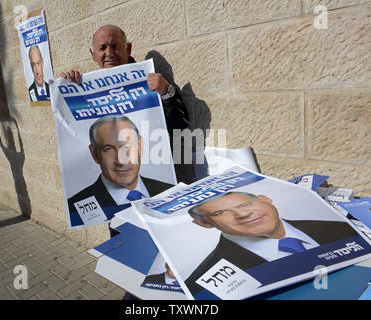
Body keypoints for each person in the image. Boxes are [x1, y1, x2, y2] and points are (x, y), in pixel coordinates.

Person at [60, 25, 194, 184]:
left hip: (160, 186)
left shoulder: (149, 81)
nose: (109, 53)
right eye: (102, 48)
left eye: (114, 46)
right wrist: (65, 87)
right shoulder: (81, 88)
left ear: (128, 48)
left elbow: (180, 125)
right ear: (93, 54)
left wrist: (166, 91)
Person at [185, 191, 358, 295]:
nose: (243, 214)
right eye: (221, 212)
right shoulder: (200, 285)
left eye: (245, 204)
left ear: (265, 199)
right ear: (204, 223)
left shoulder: (343, 228)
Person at [67, 114, 174, 228]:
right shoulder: (74, 208)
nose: (121, 161)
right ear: (94, 154)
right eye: (108, 149)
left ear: (140, 146)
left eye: (127, 147)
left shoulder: (169, 190)